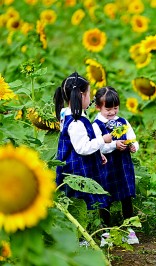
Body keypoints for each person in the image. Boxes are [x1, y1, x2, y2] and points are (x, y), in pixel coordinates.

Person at [54, 72, 112, 210]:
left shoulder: (66, 113)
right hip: (78, 168)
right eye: (89, 94)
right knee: (80, 199)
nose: (91, 98)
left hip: (71, 163)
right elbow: (82, 148)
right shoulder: (76, 122)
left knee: (75, 198)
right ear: (81, 95)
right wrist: (102, 140)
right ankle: (84, 227)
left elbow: (82, 142)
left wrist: (98, 153)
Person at [92, 86, 139, 245]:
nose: (112, 112)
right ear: (98, 107)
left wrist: (133, 146)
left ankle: (129, 229)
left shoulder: (123, 122)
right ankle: (105, 232)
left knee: (126, 196)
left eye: (115, 108)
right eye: (108, 109)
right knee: (105, 197)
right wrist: (114, 145)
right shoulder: (96, 125)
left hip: (123, 164)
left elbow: (132, 137)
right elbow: (99, 146)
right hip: (106, 166)